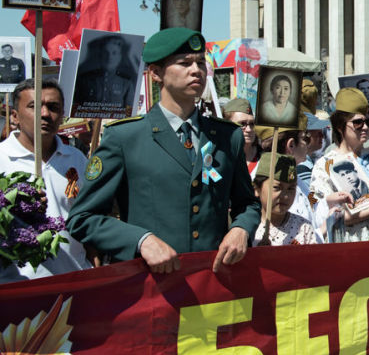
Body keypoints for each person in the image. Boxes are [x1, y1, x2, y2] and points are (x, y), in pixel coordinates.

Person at [67, 27, 261, 273]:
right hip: (152, 288)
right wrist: (141, 240)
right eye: (185, 63)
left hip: (212, 283)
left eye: (201, 62)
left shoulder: (226, 136)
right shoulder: (125, 137)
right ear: (156, 73)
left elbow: (248, 204)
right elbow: (83, 218)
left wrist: (240, 229)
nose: (196, 70)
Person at [0, 79, 91, 280]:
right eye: (34, 106)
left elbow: (88, 215)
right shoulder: (1, 159)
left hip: (74, 278)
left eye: (53, 107)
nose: (45, 114)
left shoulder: (76, 159)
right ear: (14, 116)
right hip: (17, 284)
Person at [311, 88, 369, 243]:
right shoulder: (324, 165)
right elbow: (322, 212)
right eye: (358, 123)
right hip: (349, 247)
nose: (366, 127)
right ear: (340, 126)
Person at [252, 153, 317, 246]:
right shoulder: (247, 227)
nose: (285, 196)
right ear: (257, 189)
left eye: (291, 189)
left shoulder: (304, 228)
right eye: (277, 188)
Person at [74, 35, 137, 112]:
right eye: (106, 52)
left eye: (114, 53)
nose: (109, 57)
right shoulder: (85, 80)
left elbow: (129, 111)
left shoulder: (126, 82)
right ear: (100, 55)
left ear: (120, 56)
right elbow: (76, 107)